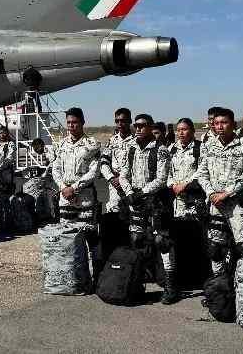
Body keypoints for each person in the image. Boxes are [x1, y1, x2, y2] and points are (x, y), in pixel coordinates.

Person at [120, 114, 177, 304]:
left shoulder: (161, 150)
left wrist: (142, 192)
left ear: (150, 127)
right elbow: (123, 174)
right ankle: (136, 281)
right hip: (135, 201)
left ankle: (170, 286)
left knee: (162, 241)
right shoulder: (131, 148)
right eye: (136, 125)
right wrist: (129, 192)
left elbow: (161, 179)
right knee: (137, 240)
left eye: (142, 125)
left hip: (155, 201)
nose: (138, 128)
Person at [195, 108, 243, 276]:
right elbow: (201, 173)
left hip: (236, 203)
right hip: (216, 203)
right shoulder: (207, 146)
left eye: (224, 122)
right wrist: (211, 193)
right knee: (215, 249)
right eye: (216, 123)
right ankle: (219, 288)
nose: (220, 126)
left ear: (234, 124)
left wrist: (227, 193)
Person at [51, 107, 101, 278]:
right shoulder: (61, 144)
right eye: (69, 123)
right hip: (65, 199)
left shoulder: (92, 144)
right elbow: (55, 168)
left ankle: (96, 278)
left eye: (75, 122)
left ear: (82, 123)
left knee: (90, 239)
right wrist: (63, 187)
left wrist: (75, 187)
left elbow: (94, 171)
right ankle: (73, 277)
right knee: (68, 239)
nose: (71, 126)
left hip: (85, 198)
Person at [167, 118, 208, 289]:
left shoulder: (201, 148)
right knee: (180, 240)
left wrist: (186, 185)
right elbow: (167, 171)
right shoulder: (172, 149)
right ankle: (183, 279)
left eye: (184, 129)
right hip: (178, 201)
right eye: (178, 130)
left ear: (192, 131)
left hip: (195, 200)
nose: (181, 133)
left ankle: (200, 278)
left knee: (197, 239)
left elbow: (202, 170)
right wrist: (173, 185)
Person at [98, 107, 134, 273]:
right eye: (117, 121)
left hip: (132, 188)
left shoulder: (136, 140)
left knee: (134, 225)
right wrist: (111, 178)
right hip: (115, 188)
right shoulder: (112, 141)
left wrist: (124, 179)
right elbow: (104, 162)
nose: (120, 124)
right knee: (115, 223)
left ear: (129, 121)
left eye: (123, 120)